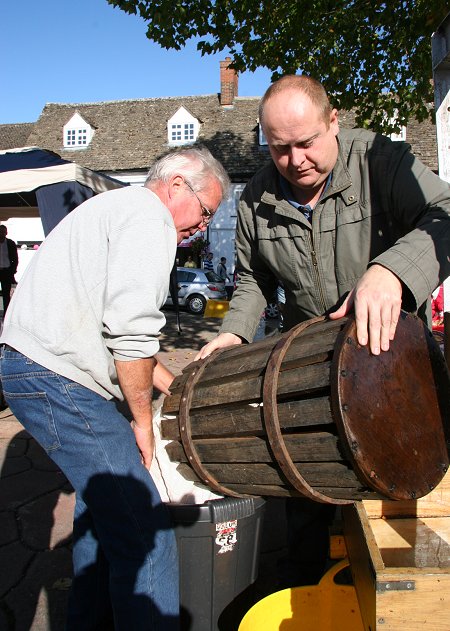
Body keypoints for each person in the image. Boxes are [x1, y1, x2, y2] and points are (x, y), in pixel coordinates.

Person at [196, 75, 450, 586]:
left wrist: (393, 270)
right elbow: (254, 280)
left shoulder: (385, 162)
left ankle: (397, 589)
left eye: (307, 142)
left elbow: (445, 213)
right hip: (305, 370)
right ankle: (305, 585)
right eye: (280, 148)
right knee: (305, 485)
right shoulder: (255, 200)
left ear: (334, 122)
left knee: (396, 491)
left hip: (392, 368)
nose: (295, 161)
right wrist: (236, 333)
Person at [0, 146, 230, 630]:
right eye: (206, 211)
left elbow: (126, 344)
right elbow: (130, 334)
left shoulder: (115, 208)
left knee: (102, 516)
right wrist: (144, 422)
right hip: (55, 378)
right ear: (175, 186)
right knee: (144, 531)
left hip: (40, 369)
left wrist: (181, 386)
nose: (205, 226)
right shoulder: (150, 217)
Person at [0, 225, 18, 315]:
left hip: (6, 272)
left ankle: (6, 314)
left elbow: (15, 258)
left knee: (6, 294)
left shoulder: (10, 243)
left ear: (6, 233)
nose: (2, 234)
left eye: (3, 232)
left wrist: (13, 271)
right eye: (0, 232)